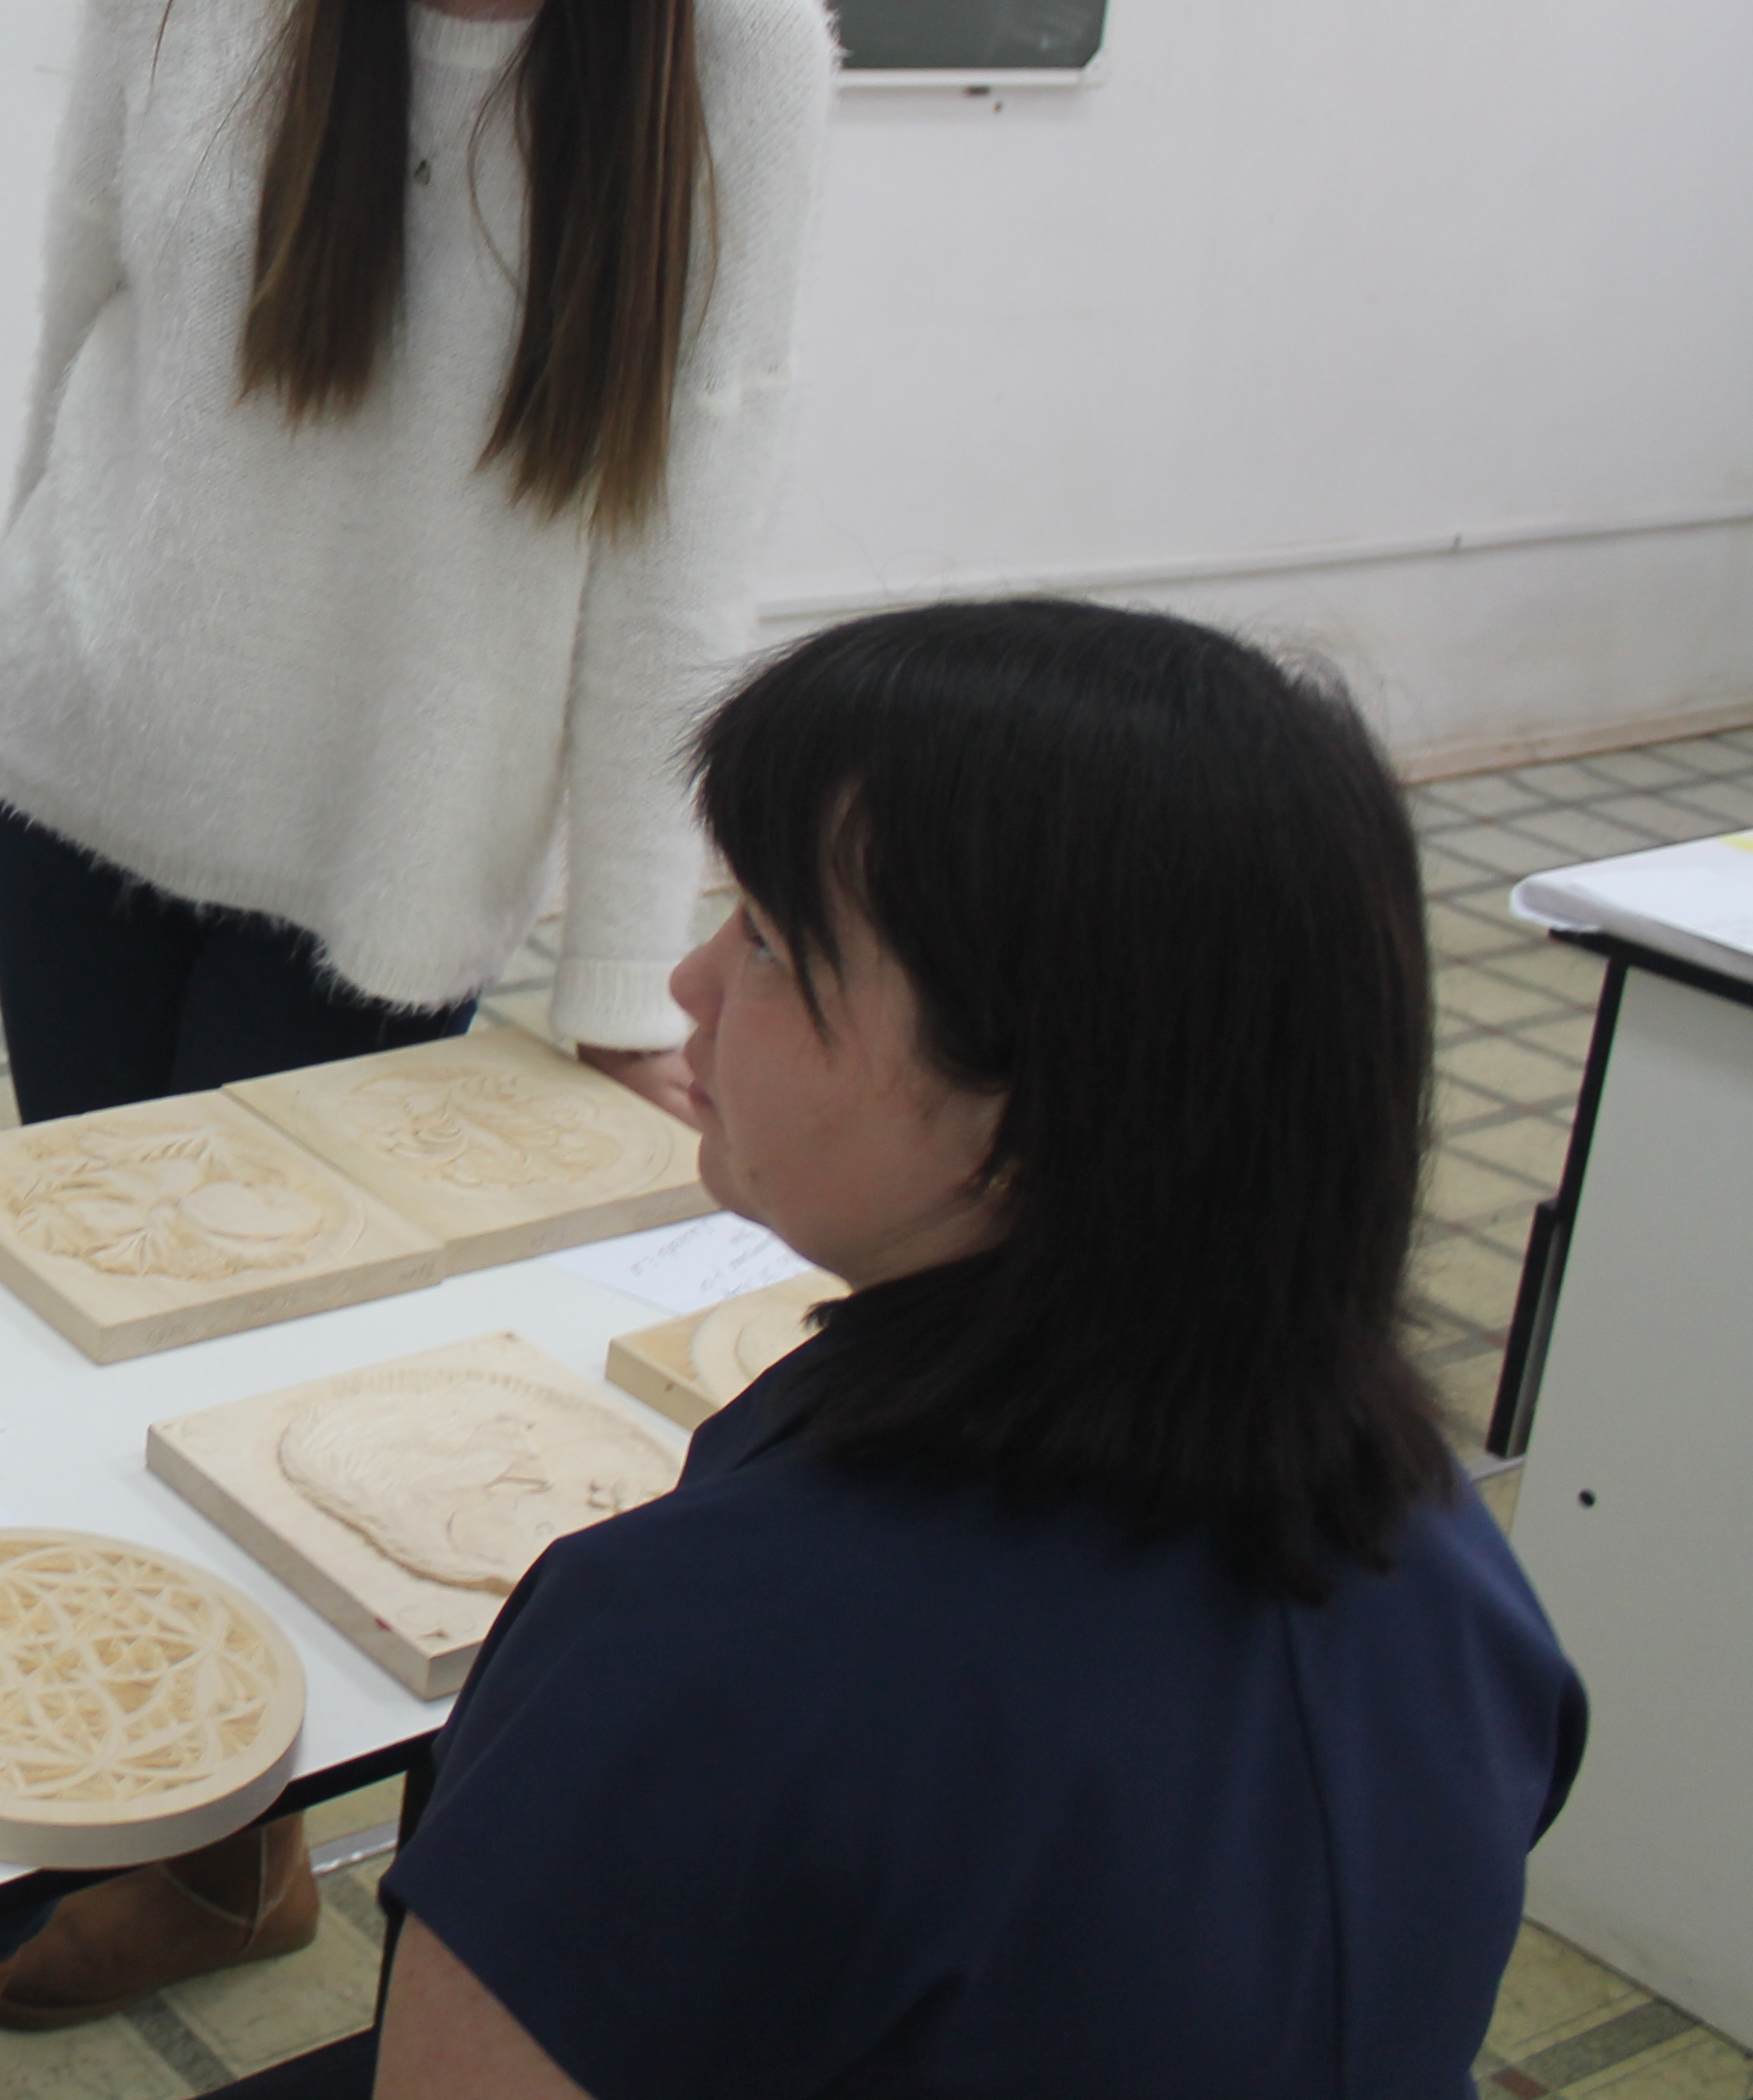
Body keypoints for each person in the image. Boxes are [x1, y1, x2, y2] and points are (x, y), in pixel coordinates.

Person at [0, 0, 832, 2099]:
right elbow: (76, 323)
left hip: (371, 864)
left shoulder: (730, 44)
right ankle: (213, 1860)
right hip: (74, 777)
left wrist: (623, 978)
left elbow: (681, 550)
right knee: (84, 1366)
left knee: (228, 1415)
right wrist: (24, 628)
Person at [317, 597, 1586, 2096]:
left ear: (1030, 1111)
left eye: (772, 942)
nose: (693, 985)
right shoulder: (1442, 1557)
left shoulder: (691, 1653)